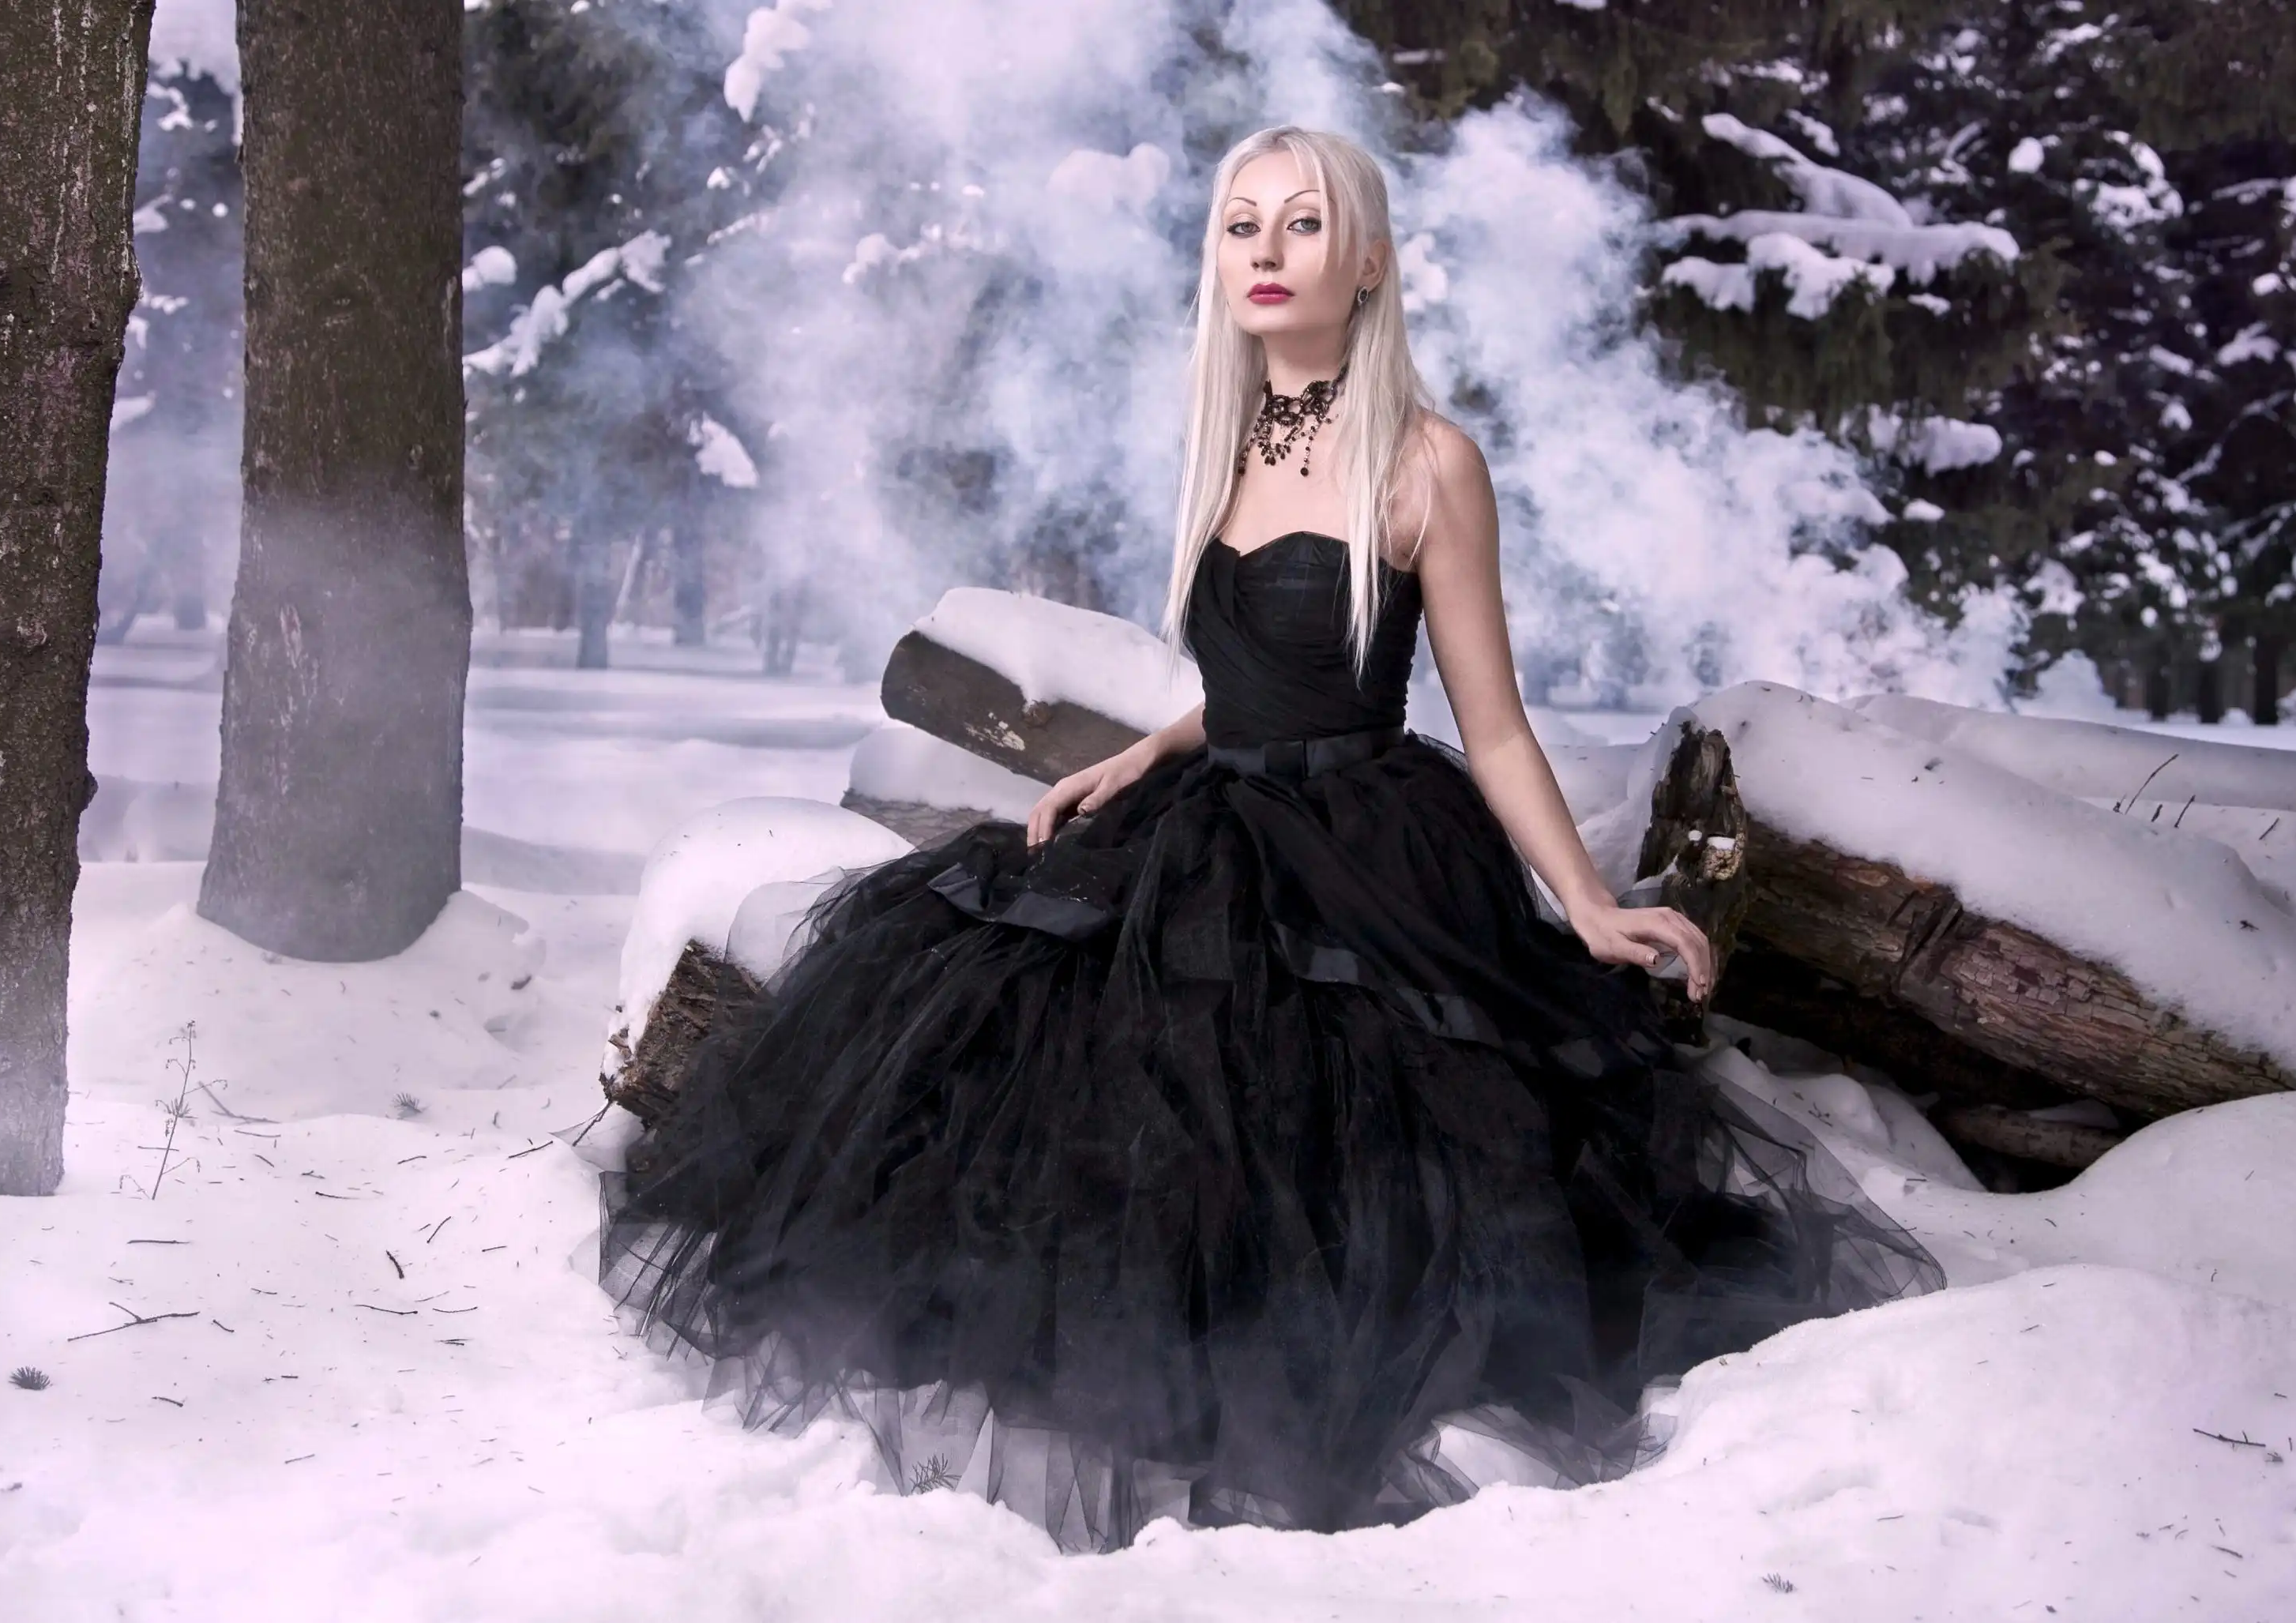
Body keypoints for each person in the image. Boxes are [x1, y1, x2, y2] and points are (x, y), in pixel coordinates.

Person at [599, 124, 1942, 1553]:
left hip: (1364, 841)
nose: (1266, 252)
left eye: (1302, 225)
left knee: (1333, 1110)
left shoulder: (1429, 463)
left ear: (1367, 263)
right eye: (1242, 225)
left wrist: (1591, 906)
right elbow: (1252, 676)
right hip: (1206, 815)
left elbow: (1492, 728)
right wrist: (1147, 750)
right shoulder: (1226, 437)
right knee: (1069, 1049)